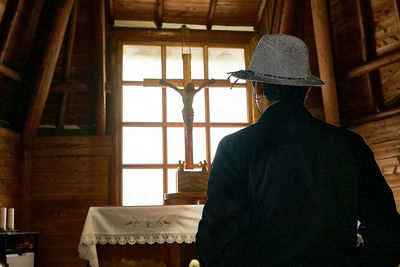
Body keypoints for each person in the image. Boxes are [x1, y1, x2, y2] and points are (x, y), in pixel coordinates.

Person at [195, 34, 400, 267]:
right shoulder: (350, 145)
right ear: (307, 90)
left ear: (258, 87)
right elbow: (388, 233)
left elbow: (218, 247)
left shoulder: (236, 147)